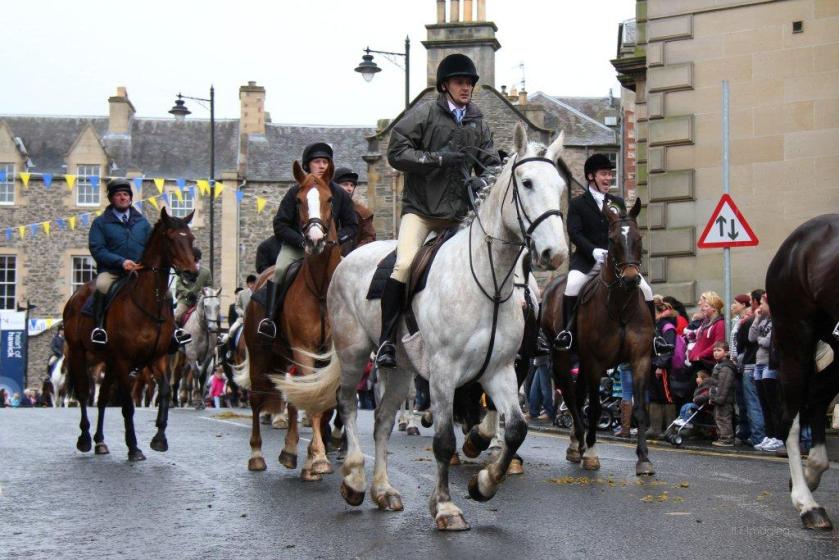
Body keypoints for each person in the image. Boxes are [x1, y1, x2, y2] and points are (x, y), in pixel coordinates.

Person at [377, 53, 500, 368]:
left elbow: (492, 165)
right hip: (420, 212)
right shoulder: (424, 115)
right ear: (445, 85)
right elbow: (396, 151)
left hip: (459, 216)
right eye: (460, 82)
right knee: (403, 265)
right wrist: (437, 159)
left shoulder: (478, 123)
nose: (466, 88)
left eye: (470, 83)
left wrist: (481, 181)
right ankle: (386, 341)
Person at [555, 154, 662, 353]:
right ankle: (567, 333)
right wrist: (593, 251)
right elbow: (574, 232)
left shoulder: (617, 202)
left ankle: (655, 338)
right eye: (604, 174)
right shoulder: (578, 204)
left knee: (646, 290)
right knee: (571, 286)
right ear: (590, 177)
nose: (608, 179)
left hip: (617, 262)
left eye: (610, 174)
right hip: (588, 260)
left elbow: (625, 231)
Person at [258, 142, 359, 338]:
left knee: (353, 277)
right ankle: (270, 319)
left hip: (330, 250)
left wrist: (337, 240)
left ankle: (357, 323)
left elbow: (352, 225)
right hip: (297, 248)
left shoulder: (338, 193)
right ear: (307, 166)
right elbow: (280, 224)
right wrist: (301, 241)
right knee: (279, 270)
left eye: (325, 162)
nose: (322, 166)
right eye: (317, 162)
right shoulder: (295, 191)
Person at [88, 178, 152, 345]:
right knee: (101, 285)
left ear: (130, 198)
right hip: (112, 272)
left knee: (164, 293)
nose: (123, 197)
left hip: (139, 271)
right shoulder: (100, 223)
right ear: (111, 199)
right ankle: (99, 328)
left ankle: (173, 329)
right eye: (118, 195)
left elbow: (151, 247)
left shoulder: (143, 223)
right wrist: (121, 262)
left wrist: (144, 263)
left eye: (125, 194)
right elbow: (98, 250)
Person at [749, 293, 784, 452]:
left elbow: (768, 341)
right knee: (764, 404)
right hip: (759, 363)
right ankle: (769, 436)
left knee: (773, 403)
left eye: (762, 304)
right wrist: (756, 319)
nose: (760, 307)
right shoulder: (762, 319)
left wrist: (760, 340)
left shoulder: (778, 320)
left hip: (770, 363)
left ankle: (779, 437)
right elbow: (751, 337)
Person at [735, 289, 766, 447]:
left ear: (754, 301)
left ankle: (759, 437)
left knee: (753, 403)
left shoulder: (748, 322)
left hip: (750, 366)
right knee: (765, 403)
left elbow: (740, 345)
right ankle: (768, 436)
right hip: (766, 365)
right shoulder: (771, 320)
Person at [172, 246, 212, 344]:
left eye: (194, 258)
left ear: (197, 258)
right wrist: (188, 293)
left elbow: (209, 286)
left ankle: (215, 338)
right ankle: (176, 337)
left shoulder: (206, 272)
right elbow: (178, 284)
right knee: (177, 315)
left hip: (200, 301)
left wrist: (201, 294)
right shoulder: (183, 269)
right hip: (185, 301)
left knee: (213, 315)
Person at [333, 166, 376, 255]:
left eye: (352, 185)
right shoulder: (325, 209)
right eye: (345, 184)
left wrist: (355, 254)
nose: (349, 189)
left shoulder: (362, 212)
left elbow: (369, 237)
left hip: (352, 261)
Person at [709, 341, 737, 447]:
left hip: (724, 399)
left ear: (726, 353)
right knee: (719, 417)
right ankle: (722, 437)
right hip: (719, 397)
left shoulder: (725, 367)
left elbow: (724, 384)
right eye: (714, 351)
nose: (716, 353)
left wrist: (718, 398)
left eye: (719, 350)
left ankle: (727, 439)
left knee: (723, 418)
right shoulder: (719, 365)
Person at [221, 274, 256, 345]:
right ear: (248, 284)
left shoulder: (258, 293)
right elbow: (237, 306)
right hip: (242, 319)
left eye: (253, 283)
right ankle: (231, 349)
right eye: (250, 283)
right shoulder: (241, 293)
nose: (252, 285)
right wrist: (243, 313)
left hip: (255, 319)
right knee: (232, 330)